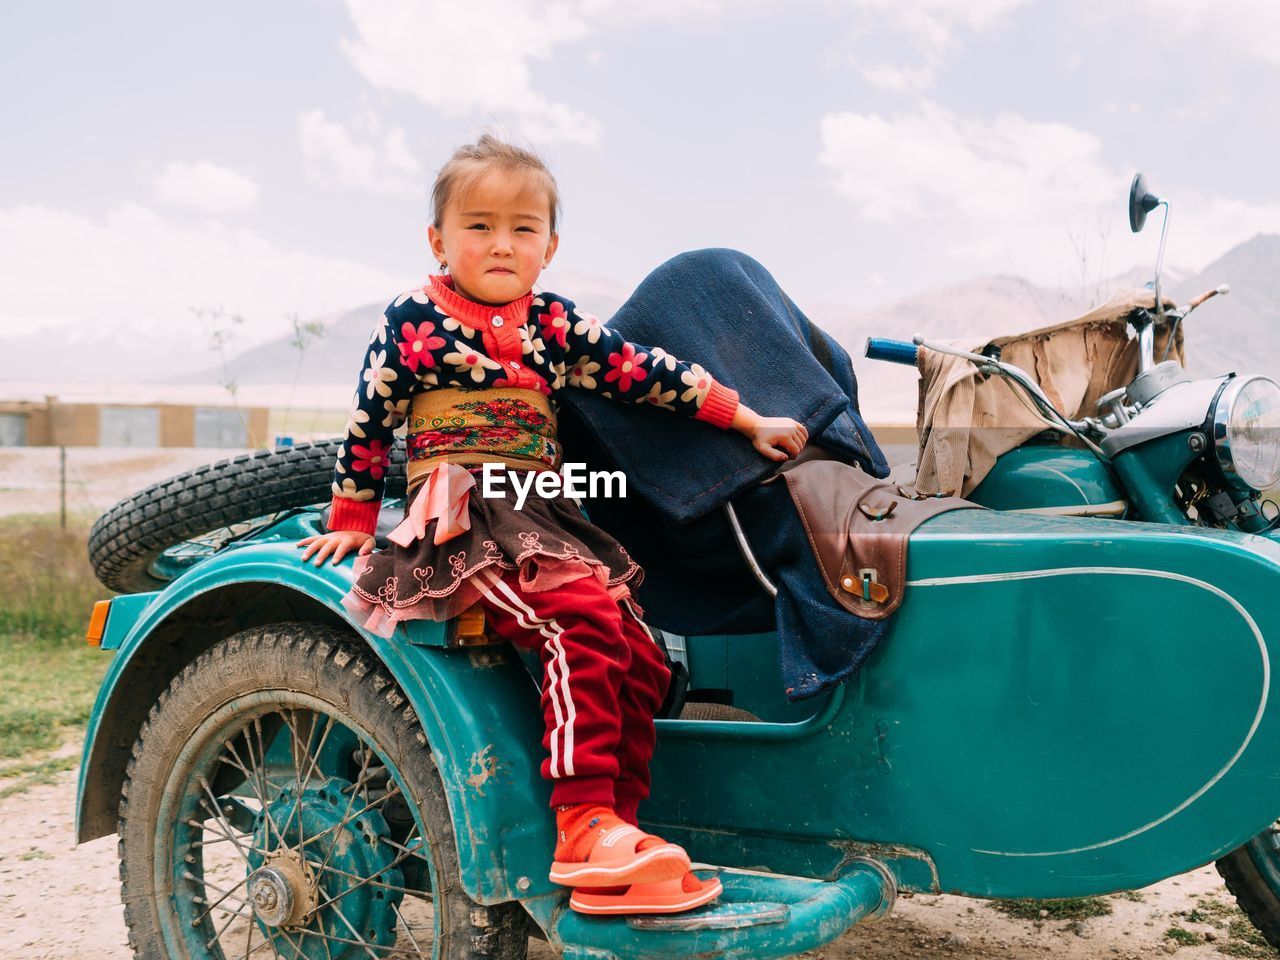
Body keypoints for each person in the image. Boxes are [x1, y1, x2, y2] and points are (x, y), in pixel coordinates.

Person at [298, 133, 808, 915]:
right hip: (464, 514)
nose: (501, 243)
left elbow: (644, 373)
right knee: (577, 619)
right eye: (479, 224)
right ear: (438, 240)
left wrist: (743, 418)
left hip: (546, 514)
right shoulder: (410, 319)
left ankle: (624, 836)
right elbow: (371, 421)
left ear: (550, 247)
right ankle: (582, 826)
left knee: (639, 653)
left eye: (522, 228)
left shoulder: (555, 325)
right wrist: (354, 519)